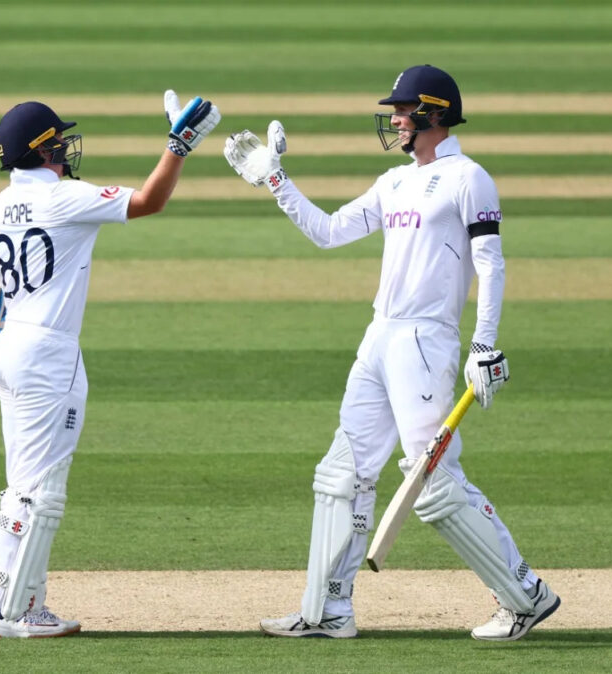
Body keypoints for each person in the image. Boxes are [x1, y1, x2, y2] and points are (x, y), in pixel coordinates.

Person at [223, 65, 559, 641]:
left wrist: (483, 344)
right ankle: (327, 610)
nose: (395, 120)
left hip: (426, 343)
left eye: (403, 111)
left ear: (434, 113)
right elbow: (328, 232)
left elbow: (490, 264)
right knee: (341, 474)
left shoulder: (469, 178)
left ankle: (524, 595)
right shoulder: (394, 181)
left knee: (434, 479)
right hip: (379, 336)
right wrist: (277, 181)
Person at [0, 92, 220, 638]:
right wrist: (179, 145)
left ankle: (9, 600)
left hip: (6, 350)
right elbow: (149, 202)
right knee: (40, 489)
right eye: (59, 141)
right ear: (45, 150)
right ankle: (16, 613)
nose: (67, 149)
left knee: (19, 483)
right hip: (49, 355)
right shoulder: (66, 198)